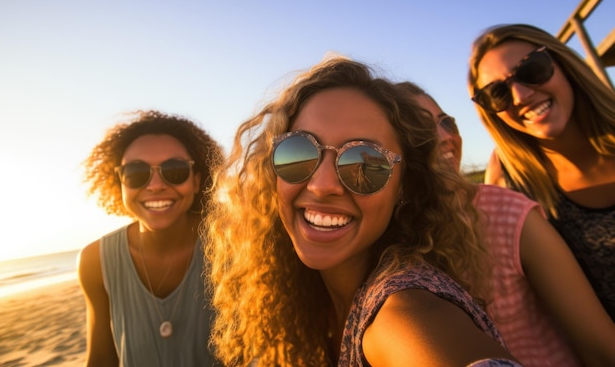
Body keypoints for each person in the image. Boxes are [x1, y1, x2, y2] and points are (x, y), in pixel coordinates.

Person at [203, 56, 522, 366]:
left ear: (405, 187)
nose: (322, 185)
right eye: (298, 152)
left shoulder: (405, 310)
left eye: (365, 163)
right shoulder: (304, 300)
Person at [398, 80, 615, 367]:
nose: (444, 137)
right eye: (421, 129)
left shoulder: (507, 214)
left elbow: (601, 348)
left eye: (446, 122)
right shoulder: (391, 236)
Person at [467, 23, 615, 320]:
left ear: (563, 64)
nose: (521, 96)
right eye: (497, 94)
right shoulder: (509, 182)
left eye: (531, 70)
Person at [78, 110, 223, 367]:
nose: (156, 185)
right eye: (136, 173)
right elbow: (100, 360)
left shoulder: (231, 247)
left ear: (197, 181)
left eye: (175, 170)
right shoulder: (95, 261)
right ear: (120, 183)